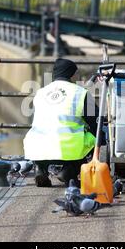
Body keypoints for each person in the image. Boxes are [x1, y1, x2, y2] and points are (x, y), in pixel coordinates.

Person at [23, 58, 100, 187]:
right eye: (76, 73)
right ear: (71, 74)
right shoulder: (81, 93)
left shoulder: (40, 92)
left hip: (37, 146)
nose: (78, 76)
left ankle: (40, 169)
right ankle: (69, 171)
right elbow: (96, 120)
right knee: (94, 136)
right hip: (67, 147)